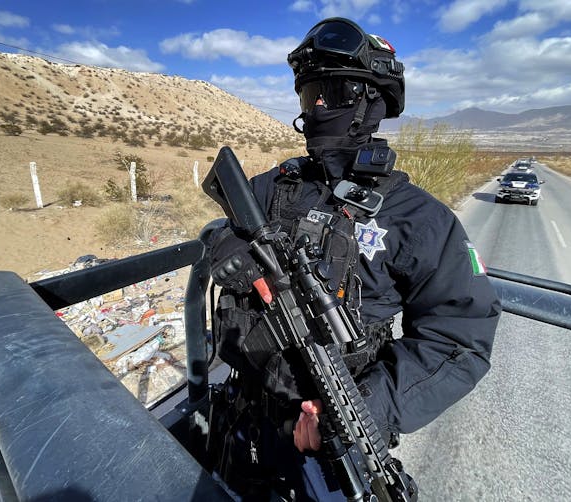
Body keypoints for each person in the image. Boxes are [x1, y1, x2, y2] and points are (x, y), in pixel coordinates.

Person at [206, 17, 500, 501]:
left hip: (333, 440)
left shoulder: (419, 218)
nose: (318, 107)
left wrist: (365, 411)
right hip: (244, 415)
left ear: (370, 103)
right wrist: (229, 248)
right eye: (309, 95)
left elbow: (460, 338)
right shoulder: (275, 186)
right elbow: (223, 229)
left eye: (334, 92)